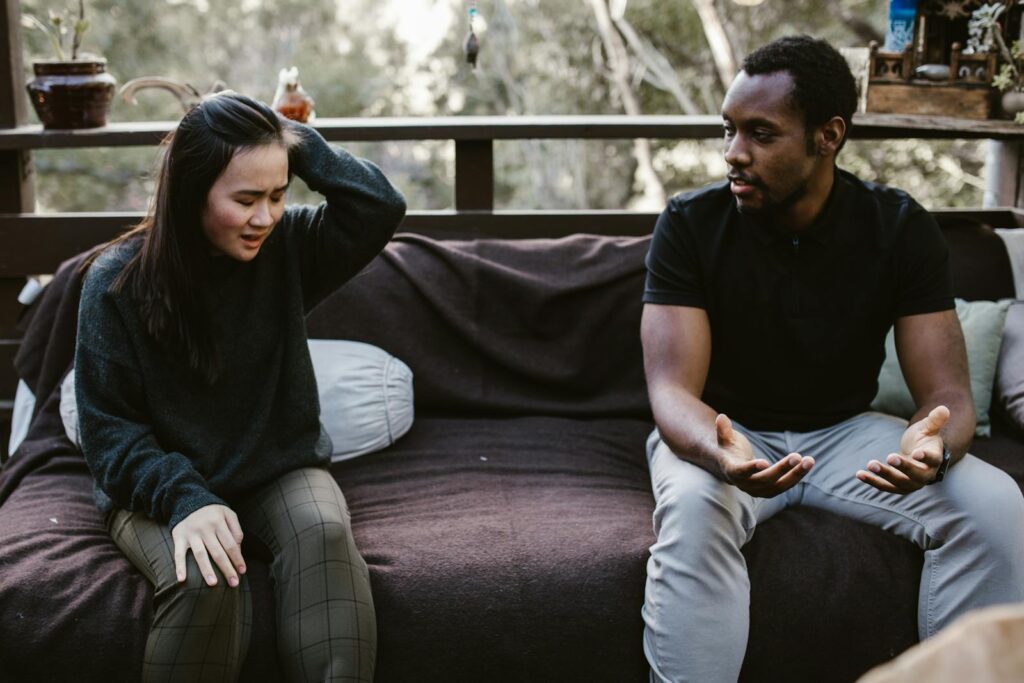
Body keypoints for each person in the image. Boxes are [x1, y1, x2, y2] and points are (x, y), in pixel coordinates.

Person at [640, 35, 1024, 683]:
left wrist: (936, 445)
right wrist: (720, 452)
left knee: (997, 507)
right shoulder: (690, 223)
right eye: (728, 130)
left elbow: (949, 396)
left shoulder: (898, 226)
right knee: (695, 512)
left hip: (849, 433)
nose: (733, 153)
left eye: (761, 134)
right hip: (728, 430)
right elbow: (672, 391)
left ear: (828, 136)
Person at [75, 91, 406, 682]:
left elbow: (379, 206)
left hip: (276, 464)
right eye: (246, 198)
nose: (266, 217)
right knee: (206, 578)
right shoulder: (114, 284)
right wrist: (186, 500)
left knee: (325, 535)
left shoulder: (289, 249)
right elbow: (109, 434)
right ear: (190, 192)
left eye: (279, 195)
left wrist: (288, 136)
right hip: (156, 484)